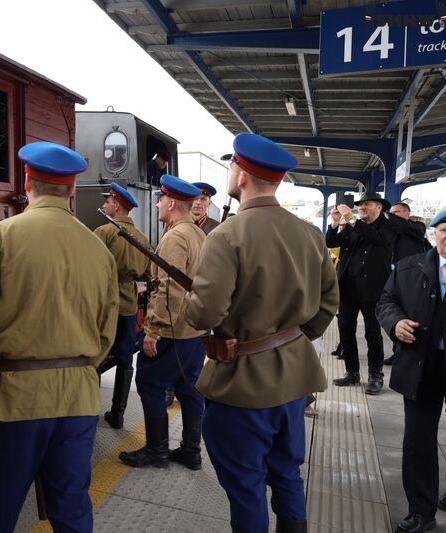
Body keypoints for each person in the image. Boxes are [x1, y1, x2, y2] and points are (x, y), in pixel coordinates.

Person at [0, 141, 119, 533]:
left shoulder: (0, 236)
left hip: (14, 399)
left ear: (27, 181)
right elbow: (106, 333)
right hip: (78, 397)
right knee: (72, 508)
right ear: (71, 189)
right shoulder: (98, 249)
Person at [186, 133, 338, 533]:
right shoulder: (310, 234)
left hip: (243, 387)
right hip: (294, 379)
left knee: (246, 486)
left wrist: (191, 300)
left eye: (232, 166)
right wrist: (294, 339)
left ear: (242, 174)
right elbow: (327, 303)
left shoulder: (227, 235)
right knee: (287, 473)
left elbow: (204, 313)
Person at [118, 175, 207, 470]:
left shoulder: (175, 237)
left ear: (171, 203)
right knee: (189, 388)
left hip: (172, 330)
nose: (157, 203)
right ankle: (191, 451)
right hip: (193, 330)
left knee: (151, 383)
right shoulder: (197, 234)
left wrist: (152, 331)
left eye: (161, 199)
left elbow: (167, 287)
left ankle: (156, 450)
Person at [375, 208, 446, 533]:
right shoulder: (408, 267)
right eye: (444, 229)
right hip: (421, 367)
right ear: (434, 233)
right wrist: (395, 323)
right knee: (418, 441)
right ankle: (422, 512)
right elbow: (385, 303)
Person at [326, 192, 398, 394]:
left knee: (372, 333)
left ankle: (376, 375)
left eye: (367, 204)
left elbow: (377, 239)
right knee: (345, 328)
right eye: (361, 205)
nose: (362, 207)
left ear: (379, 207)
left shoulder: (389, 226)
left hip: (373, 288)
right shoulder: (353, 225)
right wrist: (334, 222)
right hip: (348, 285)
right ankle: (352, 372)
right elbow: (331, 243)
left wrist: (351, 219)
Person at [94, 182, 150, 429]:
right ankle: (118, 414)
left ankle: (90, 412)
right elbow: (148, 275)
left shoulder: (103, 232)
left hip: (104, 306)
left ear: (116, 205)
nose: (105, 204)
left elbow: (90, 268)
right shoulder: (143, 238)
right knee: (125, 361)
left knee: (95, 358)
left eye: (108, 201)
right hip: (127, 307)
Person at [385, 203, 432, 366]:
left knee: (411, 314)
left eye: (394, 212)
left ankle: (411, 353)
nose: (391, 216)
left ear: (406, 213)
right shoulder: (394, 229)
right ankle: (396, 352)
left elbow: (406, 227)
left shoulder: (416, 227)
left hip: (413, 278)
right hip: (395, 276)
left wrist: (386, 215)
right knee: (397, 314)